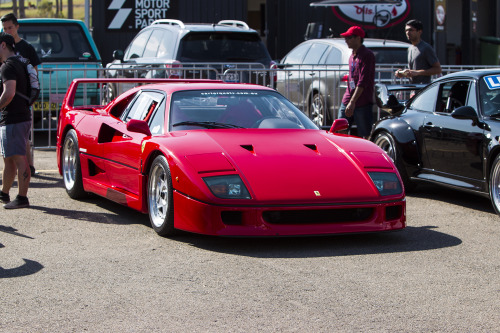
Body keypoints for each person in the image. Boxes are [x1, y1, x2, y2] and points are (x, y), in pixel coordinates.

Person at [1, 13, 41, 177]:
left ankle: (28, 167)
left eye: (10, 27)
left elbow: (34, 73)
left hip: (20, 100)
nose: (8, 30)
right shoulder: (3, 48)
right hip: (9, 101)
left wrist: (29, 94)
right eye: (5, 28)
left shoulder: (26, 48)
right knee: (17, 140)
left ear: (17, 27)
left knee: (22, 138)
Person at [0, 32, 31, 209]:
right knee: (9, 158)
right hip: (18, 116)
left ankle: (22, 198)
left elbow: (9, 93)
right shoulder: (18, 63)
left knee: (18, 158)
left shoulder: (8, 66)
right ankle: (4, 193)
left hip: (14, 117)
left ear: (3, 45)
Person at [338, 26, 375, 139]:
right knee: (339, 130)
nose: (346, 41)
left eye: (349, 38)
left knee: (365, 135)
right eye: (346, 38)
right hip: (348, 99)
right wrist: (349, 101)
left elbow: (363, 81)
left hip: (362, 102)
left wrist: (353, 102)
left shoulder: (367, 55)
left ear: (358, 38)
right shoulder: (352, 56)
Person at [395, 19, 442, 84]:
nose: (408, 32)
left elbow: (438, 69)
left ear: (419, 32)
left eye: (411, 30)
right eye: (406, 30)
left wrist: (418, 72)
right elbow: (412, 72)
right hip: (413, 89)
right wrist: (403, 73)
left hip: (423, 88)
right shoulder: (410, 48)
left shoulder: (426, 48)